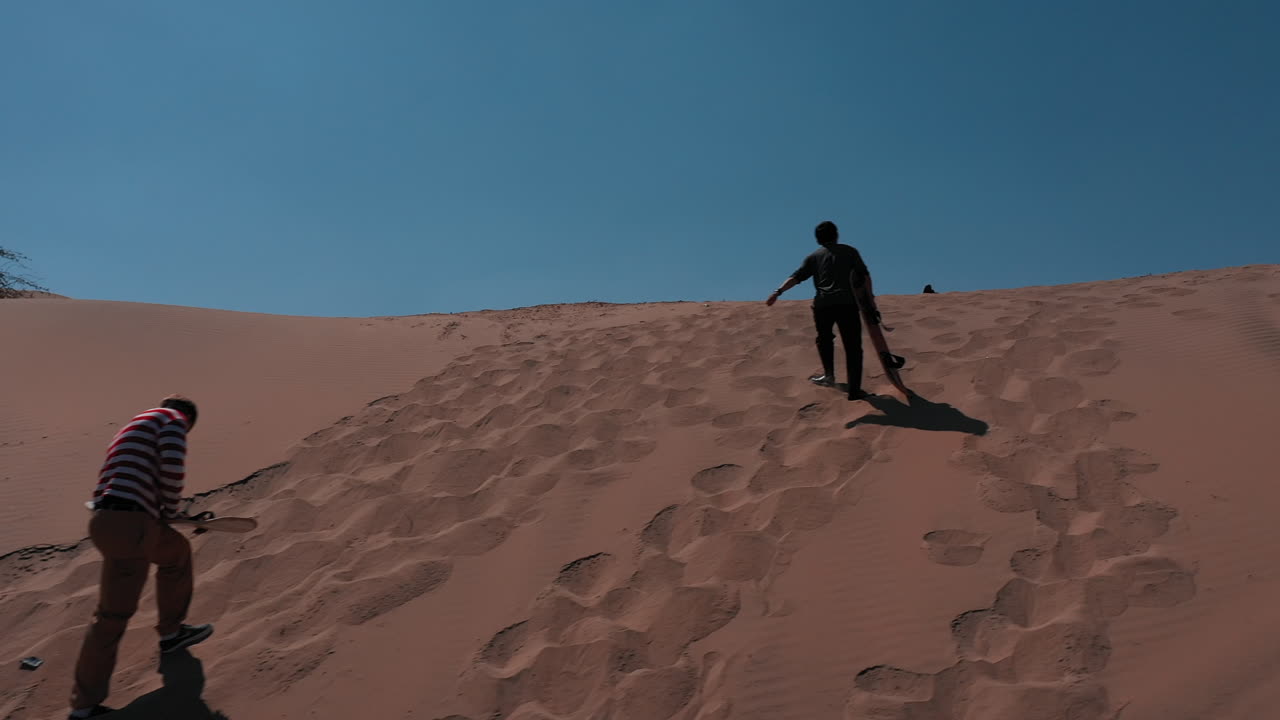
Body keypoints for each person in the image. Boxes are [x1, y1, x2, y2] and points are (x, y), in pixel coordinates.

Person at [68, 395, 214, 719]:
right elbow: (173, 469)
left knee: (176, 553)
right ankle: (84, 707)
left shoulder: (134, 425)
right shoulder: (173, 421)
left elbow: (114, 474)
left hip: (104, 520)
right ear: (188, 418)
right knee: (112, 617)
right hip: (133, 525)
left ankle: (172, 632)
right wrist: (171, 510)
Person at [766, 220, 873, 401]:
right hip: (847, 304)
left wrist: (778, 292)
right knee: (853, 347)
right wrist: (870, 299)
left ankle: (829, 375)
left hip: (823, 305)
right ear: (837, 235)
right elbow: (864, 276)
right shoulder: (849, 251)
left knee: (824, 340)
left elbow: (796, 277)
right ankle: (854, 390)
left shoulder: (813, 257)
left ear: (817, 239)